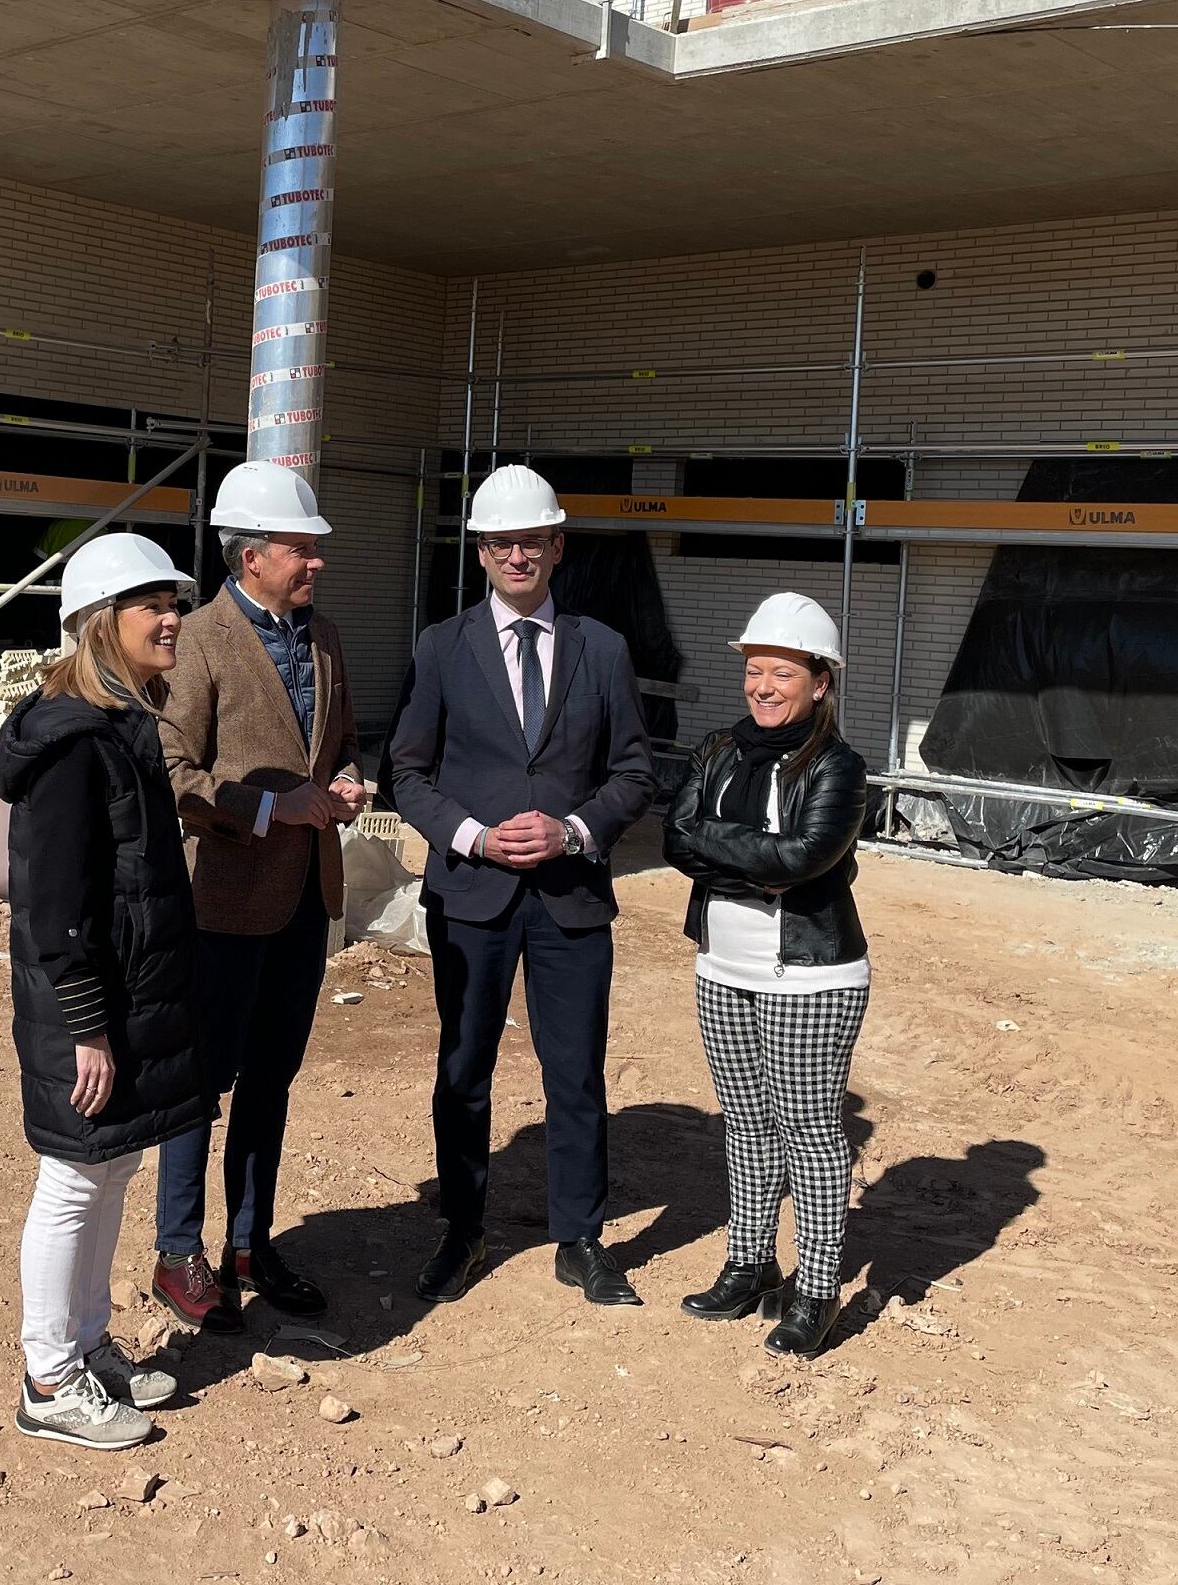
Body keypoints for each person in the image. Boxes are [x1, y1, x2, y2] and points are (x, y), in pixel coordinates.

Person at [387, 465, 657, 1307]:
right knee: (463, 1067)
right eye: (501, 542)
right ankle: (462, 1230)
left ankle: (578, 1237)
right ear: (480, 552)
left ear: (556, 546)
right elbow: (406, 770)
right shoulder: (440, 646)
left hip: (569, 895)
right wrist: (472, 837)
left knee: (573, 1071)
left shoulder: (602, 649)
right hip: (472, 896)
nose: (517, 555)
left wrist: (573, 829)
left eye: (531, 541)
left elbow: (634, 773)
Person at [0, 531, 210, 1451]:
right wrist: (86, 1025)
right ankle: (48, 1379)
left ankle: (85, 1347)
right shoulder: (77, 744)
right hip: (86, 1004)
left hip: (128, 996)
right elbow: (55, 905)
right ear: (98, 624)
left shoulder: (123, 725)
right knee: (74, 1181)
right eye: (151, 605)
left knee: (113, 1166)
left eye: (173, 602)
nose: (172, 619)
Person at [150, 461, 363, 1333]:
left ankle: (249, 1241)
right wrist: (273, 807)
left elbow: (340, 744)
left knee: (271, 1078)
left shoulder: (324, 639)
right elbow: (171, 772)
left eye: (314, 551)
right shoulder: (194, 642)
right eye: (300, 550)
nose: (315, 564)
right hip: (225, 901)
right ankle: (178, 1253)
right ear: (249, 558)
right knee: (200, 1083)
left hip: (305, 897)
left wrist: (347, 781)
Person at [660, 592, 869, 1358]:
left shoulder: (839, 767)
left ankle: (814, 1289)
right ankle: (749, 1264)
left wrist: (726, 848)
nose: (763, 686)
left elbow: (803, 859)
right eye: (754, 670)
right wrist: (750, 855)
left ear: (819, 681)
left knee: (809, 1133)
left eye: (781, 671)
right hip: (722, 964)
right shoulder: (717, 749)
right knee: (744, 1125)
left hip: (809, 976)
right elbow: (674, 838)